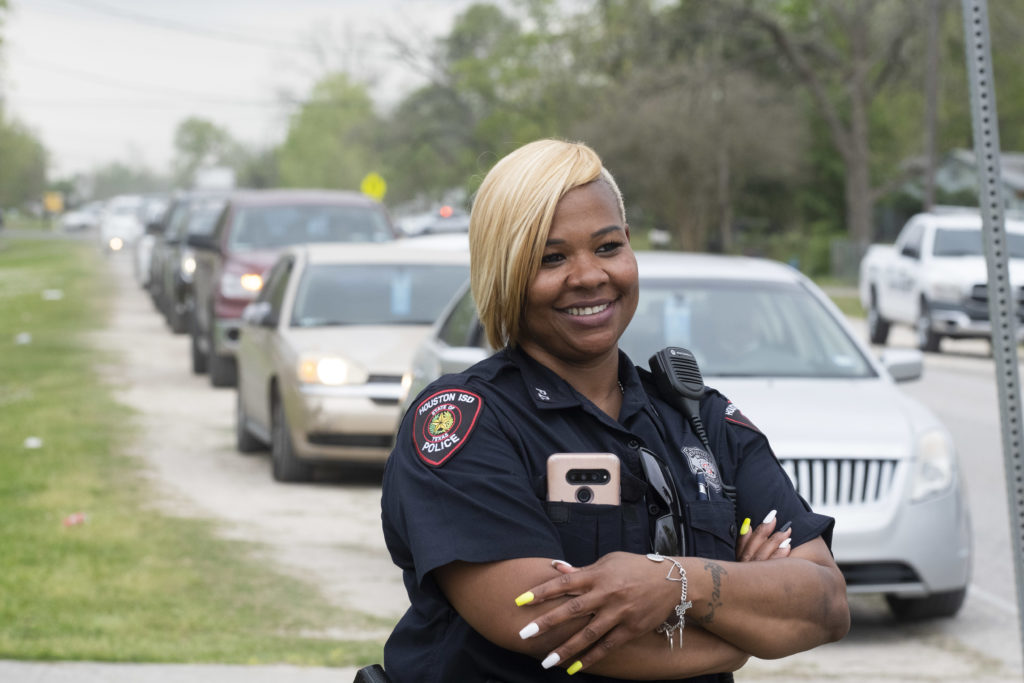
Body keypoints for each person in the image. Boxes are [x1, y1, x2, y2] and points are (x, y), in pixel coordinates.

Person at [380, 139, 849, 682]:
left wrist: (677, 582)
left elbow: (826, 603)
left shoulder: (703, 421)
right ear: (504, 272)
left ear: (628, 246)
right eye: (551, 258)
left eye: (606, 247)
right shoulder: (466, 422)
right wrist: (744, 634)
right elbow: (551, 628)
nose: (588, 276)